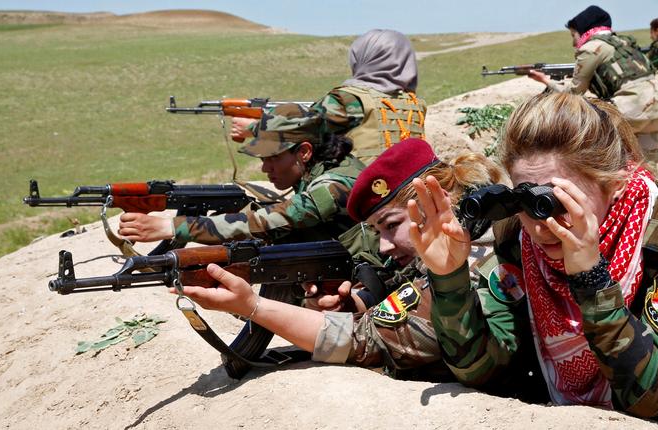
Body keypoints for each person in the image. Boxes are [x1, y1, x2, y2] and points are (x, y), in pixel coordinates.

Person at [408, 92, 658, 427]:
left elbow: (653, 395)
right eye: (530, 202)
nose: (541, 226)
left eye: (559, 201)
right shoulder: (519, 238)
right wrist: (451, 279)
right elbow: (479, 369)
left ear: (614, 183)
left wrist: (591, 278)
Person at [166, 138, 507, 381]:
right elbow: (395, 295)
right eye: (378, 232)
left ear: (435, 199)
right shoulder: (470, 236)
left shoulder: (471, 260)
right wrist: (355, 300)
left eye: (391, 226)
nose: (385, 246)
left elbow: (363, 341)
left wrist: (252, 306)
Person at [118, 102, 365, 246]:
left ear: (304, 152)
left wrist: (172, 227)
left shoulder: (334, 185)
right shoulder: (322, 169)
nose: (265, 168)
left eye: (273, 158)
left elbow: (272, 220)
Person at [230, 29, 426, 164]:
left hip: (364, 197)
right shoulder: (415, 104)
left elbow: (301, 128)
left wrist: (251, 128)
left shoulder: (349, 99)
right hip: (408, 190)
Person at [528, 5, 658, 164]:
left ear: (583, 30)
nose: (573, 42)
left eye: (573, 34)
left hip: (633, 108)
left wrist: (545, 80)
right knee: (647, 166)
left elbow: (575, 92)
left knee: (605, 157)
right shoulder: (623, 42)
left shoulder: (591, 48)